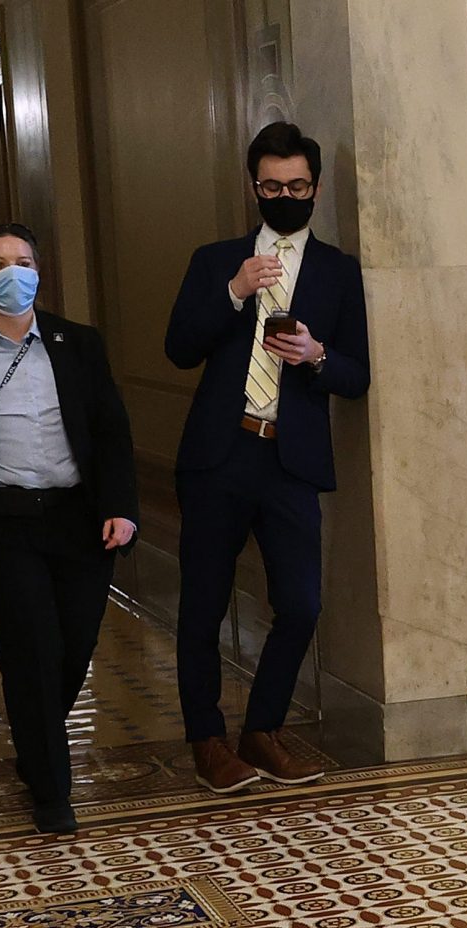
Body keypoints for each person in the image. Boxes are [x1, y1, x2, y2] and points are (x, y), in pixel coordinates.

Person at [0, 224, 140, 834]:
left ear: (41, 271)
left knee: (75, 646)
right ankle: (52, 788)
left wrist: (121, 505)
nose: (13, 272)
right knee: (32, 646)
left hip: (76, 521)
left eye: (24, 261)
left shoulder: (80, 344)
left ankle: (37, 741)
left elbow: (112, 433)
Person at [162, 121, 368, 794]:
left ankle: (263, 731)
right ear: (255, 188)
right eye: (273, 186)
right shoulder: (215, 260)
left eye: (298, 186)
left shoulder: (338, 272)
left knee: (301, 605)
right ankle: (207, 742)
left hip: (290, 461)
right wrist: (233, 293)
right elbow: (179, 347)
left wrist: (318, 358)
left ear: (315, 188)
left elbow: (357, 374)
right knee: (203, 608)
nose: (286, 195)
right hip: (219, 458)